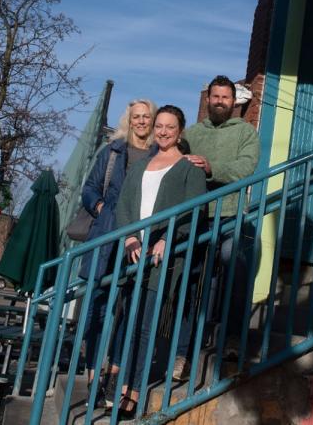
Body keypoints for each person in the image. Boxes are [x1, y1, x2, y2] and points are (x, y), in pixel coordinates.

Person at [113, 105, 206, 417]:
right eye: (159, 126)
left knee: (145, 326)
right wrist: (129, 237)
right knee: (128, 322)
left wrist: (170, 237)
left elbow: (196, 211)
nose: (163, 132)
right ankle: (121, 384)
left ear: (180, 131)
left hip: (161, 259)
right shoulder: (141, 165)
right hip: (133, 254)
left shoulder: (188, 168)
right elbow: (124, 204)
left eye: (170, 127)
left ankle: (135, 390)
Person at [78, 99, 156, 407]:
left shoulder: (157, 155)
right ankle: (93, 377)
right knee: (97, 307)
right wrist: (100, 209)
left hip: (139, 238)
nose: (141, 122)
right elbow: (89, 189)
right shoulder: (112, 152)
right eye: (136, 117)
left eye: (146, 117)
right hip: (106, 237)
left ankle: (113, 376)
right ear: (129, 120)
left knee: (129, 308)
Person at [181, 75, 259, 369]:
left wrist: (212, 167)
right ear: (208, 99)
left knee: (235, 271)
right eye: (216, 97)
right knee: (192, 280)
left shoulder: (245, 133)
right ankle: (183, 350)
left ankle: (233, 339)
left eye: (226, 97)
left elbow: (245, 168)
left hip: (229, 214)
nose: (220, 102)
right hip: (196, 216)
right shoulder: (191, 134)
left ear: (234, 101)